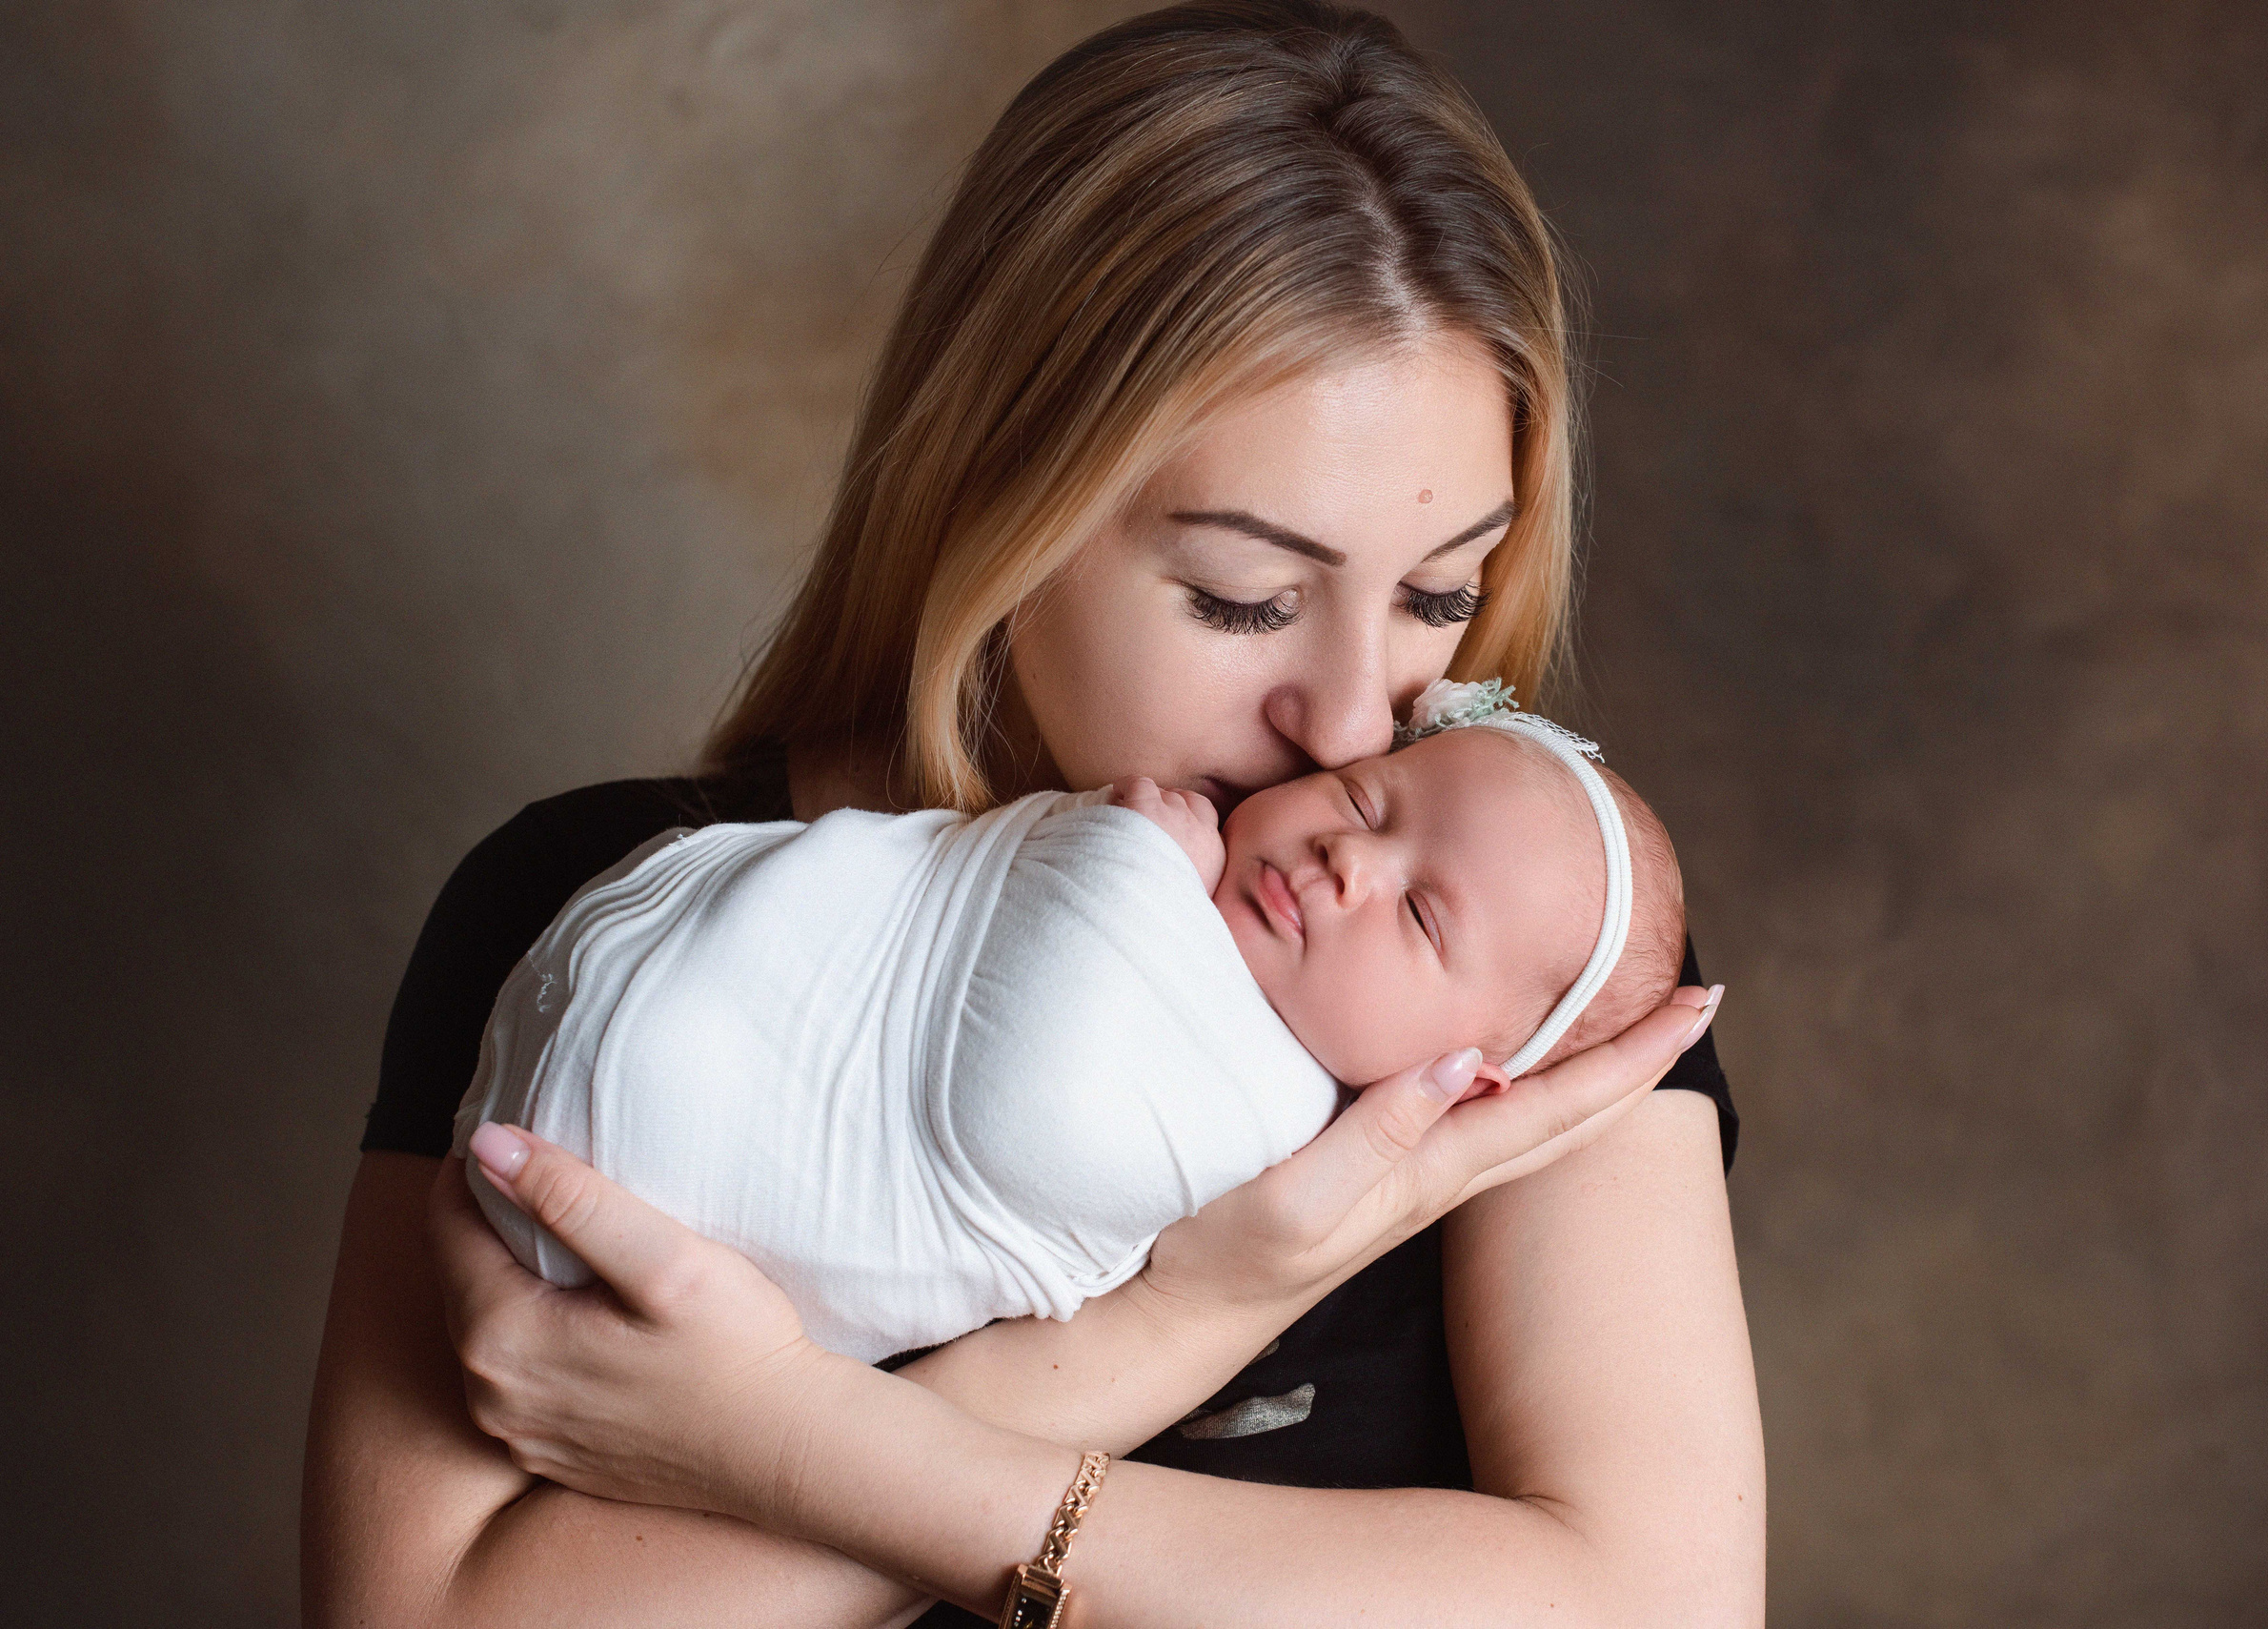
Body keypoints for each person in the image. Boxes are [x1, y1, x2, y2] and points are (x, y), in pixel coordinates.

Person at [303, 5, 1765, 1625]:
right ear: (999, 497)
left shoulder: (1528, 932)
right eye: (1241, 598)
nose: (1356, 720)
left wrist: (781, 1438)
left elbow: (1656, 1607)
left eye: (1439, 592)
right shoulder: (607, 900)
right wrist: (1154, 1331)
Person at [454, 706, 1690, 1366]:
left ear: (1469, 1079)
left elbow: (1037, 1117)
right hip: (626, 1006)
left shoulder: (1264, 1117)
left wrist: (1125, 862)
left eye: (1420, 914)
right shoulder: (1209, 887)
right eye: (1371, 797)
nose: (1345, 859)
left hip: (658, 1169)